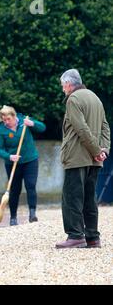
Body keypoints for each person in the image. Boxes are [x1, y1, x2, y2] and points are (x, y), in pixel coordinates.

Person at [56, 69, 110, 249]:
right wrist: (103, 150)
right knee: (89, 198)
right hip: (95, 159)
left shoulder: (73, 99)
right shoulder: (95, 98)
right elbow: (105, 128)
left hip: (77, 156)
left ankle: (75, 236)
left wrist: (96, 150)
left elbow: (81, 129)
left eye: (63, 86)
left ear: (69, 84)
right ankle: (93, 237)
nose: (63, 89)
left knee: (72, 196)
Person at [0, 105, 46, 226]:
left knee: (30, 186)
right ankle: (13, 217)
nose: (6, 122)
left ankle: (32, 214)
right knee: (15, 190)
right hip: (13, 164)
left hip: (30, 160)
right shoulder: (1, 130)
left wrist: (32, 124)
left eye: (8, 119)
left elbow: (42, 128)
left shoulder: (24, 121)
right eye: (4, 120)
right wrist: (9, 156)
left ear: (14, 116)